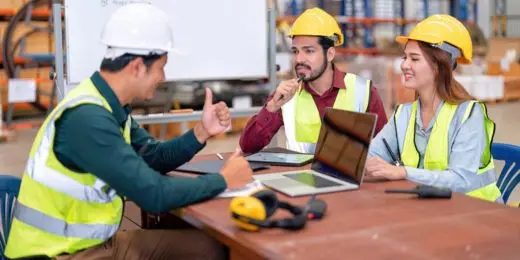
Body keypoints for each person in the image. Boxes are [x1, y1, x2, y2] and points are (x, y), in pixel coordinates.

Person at [5, 3, 252, 259]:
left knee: (207, 248)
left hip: (95, 245)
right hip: (56, 254)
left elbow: (154, 157)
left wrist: (201, 132)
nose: (163, 77)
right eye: (160, 66)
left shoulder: (109, 107)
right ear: (136, 66)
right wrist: (223, 180)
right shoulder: (87, 120)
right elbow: (153, 194)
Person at [366, 14, 502, 202]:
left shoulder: (468, 115)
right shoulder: (404, 115)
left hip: (477, 214)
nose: (404, 65)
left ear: (439, 65)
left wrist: (403, 172)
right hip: (430, 208)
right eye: (405, 57)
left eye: (414, 59)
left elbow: (461, 180)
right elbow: (371, 154)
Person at [239, 7, 388, 154]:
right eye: (295, 51)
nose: (299, 59)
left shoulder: (363, 91)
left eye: (309, 51)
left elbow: (385, 151)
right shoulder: (285, 95)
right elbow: (248, 146)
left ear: (329, 54)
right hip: (297, 178)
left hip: (346, 178)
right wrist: (272, 107)